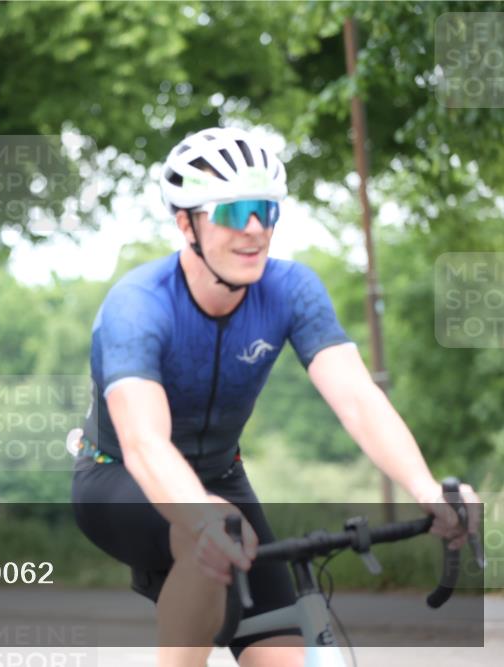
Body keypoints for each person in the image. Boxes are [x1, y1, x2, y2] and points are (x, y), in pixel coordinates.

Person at [69, 126, 481, 667]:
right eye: (236, 213)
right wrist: (200, 519)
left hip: (222, 479)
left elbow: (357, 398)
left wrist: (427, 489)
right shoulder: (138, 305)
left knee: (285, 657)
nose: (257, 230)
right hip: (117, 478)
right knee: (204, 530)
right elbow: (146, 444)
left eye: (267, 209)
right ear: (185, 223)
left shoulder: (291, 290)